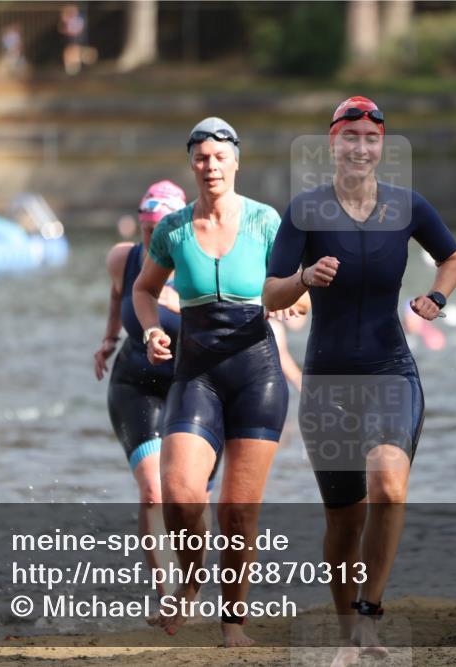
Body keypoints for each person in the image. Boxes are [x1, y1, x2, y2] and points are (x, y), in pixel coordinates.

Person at [263, 96, 456, 664]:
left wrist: (438, 295)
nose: (360, 148)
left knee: (389, 485)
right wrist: (303, 277)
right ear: (333, 143)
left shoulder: (407, 207)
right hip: (327, 382)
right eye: (350, 138)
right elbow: (269, 294)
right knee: (343, 520)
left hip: (390, 370)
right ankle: (348, 628)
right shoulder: (304, 212)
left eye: (371, 139)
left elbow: (452, 258)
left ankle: (371, 616)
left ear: (382, 147)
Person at [132, 117, 303, 647]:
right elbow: (144, 289)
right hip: (196, 373)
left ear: (236, 161)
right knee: (181, 493)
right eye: (201, 158)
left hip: (258, 374)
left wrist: (297, 294)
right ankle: (190, 578)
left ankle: (233, 623)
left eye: (219, 157)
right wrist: (150, 330)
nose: (210, 166)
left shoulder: (265, 221)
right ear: (192, 163)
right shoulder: (173, 229)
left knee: (237, 510)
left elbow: (296, 287)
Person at [94, 179, 189, 599]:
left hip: (193, 386)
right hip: (135, 381)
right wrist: (109, 339)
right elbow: (118, 298)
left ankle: (191, 587)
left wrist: (176, 305)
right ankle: (165, 590)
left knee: (187, 498)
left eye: (162, 230)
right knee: (153, 491)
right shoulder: (123, 258)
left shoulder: (200, 266)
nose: (154, 238)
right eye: (148, 229)